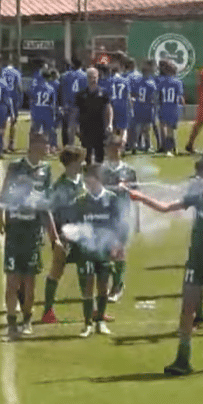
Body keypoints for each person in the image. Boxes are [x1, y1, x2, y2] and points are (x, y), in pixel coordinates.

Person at [126, 156, 203, 374]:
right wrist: (140, 197)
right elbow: (166, 208)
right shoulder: (198, 198)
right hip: (196, 260)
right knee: (187, 308)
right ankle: (183, 359)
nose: (201, 178)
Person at [0, 133, 55, 338]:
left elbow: (46, 203)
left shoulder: (46, 170)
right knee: (12, 280)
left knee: (29, 281)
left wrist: (53, 235)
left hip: (33, 231)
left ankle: (27, 320)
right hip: (15, 229)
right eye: (45, 145)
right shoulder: (16, 166)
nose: (48, 148)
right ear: (34, 146)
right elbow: (5, 192)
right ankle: (11, 322)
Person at [69, 164, 127, 337]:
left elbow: (120, 224)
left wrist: (118, 244)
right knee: (88, 286)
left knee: (103, 286)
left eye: (90, 179)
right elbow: (75, 225)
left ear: (99, 179)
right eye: (86, 180)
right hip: (86, 250)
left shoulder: (112, 199)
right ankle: (87, 324)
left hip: (105, 250)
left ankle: (100, 321)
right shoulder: (80, 201)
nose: (87, 183)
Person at [40, 146, 87, 324]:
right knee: (57, 271)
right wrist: (55, 238)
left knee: (87, 270)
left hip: (84, 234)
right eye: (80, 160)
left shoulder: (84, 181)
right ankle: (47, 311)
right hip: (65, 235)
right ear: (71, 163)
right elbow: (48, 213)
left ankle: (92, 310)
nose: (83, 163)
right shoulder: (58, 187)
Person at [100, 135, 138, 302]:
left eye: (118, 147)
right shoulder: (100, 170)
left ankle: (117, 286)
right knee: (106, 253)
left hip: (122, 215)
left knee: (120, 250)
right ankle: (107, 284)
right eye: (111, 147)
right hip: (104, 216)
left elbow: (136, 195)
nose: (115, 151)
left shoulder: (129, 171)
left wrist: (136, 220)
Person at [75, 67, 112, 164]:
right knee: (87, 153)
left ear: (98, 77)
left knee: (100, 152)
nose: (93, 79)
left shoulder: (103, 93)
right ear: (87, 78)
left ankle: (99, 169)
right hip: (85, 127)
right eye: (91, 77)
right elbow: (77, 111)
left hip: (100, 126)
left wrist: (110, 124)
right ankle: (88, 169)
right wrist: (76, 125)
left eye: (95, 77)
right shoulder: (81, 94)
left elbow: (108, 109)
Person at [157, 61, 185, 156]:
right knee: (171, 129)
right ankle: (173, 148)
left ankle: (167, 148)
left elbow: (159, 95)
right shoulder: (178, 82)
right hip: (174, 107)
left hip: (164, 106)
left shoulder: (162, 81)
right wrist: (183, 107)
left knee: (164, 126)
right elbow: (180, 97)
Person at [131, 60, 160, 153]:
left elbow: (133, 93)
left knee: (138, 128)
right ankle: (148, 145)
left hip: (138, 106)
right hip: (147, 108)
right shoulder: (151, 83)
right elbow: (153, 97)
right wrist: (155, 106)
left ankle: (135, 144)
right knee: (147, 128)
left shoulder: (137, 81)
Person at [59, 58, 88, 148]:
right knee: (77, 126)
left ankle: (70, 145)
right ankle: (84, 141)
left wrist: (63, 103)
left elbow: (62, 90)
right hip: (81, 103)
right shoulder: (85, 76)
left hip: (69, 103)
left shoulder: (65, 75)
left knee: (70, 126)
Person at [29, 69, 59, 150]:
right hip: (47, 112)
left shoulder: (35, 87)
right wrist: (54, 114)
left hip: (37, 111)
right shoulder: (51, 88)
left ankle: (33, 146)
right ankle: (51, 147)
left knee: (34, 130)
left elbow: (32, 101)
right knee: (49, 131)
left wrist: (32, 111)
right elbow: (53, 103)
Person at [1, 59, 24, 153]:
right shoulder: (16, 73)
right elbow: (19, 87)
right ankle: (11, 144)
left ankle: (1, 144)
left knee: (3, 122)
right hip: (13, 98)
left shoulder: (2, 72)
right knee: (13, 122)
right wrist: (20, 100)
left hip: (3, 98)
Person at [108, 64, 132, 148]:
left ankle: (115, 146)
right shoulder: (125, 80)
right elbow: (128, 96)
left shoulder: (109, 80)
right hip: (123, 106)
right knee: (123, 129)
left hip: (112, 106)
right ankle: (122, 145)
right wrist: (131, 108)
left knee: (114, 129)